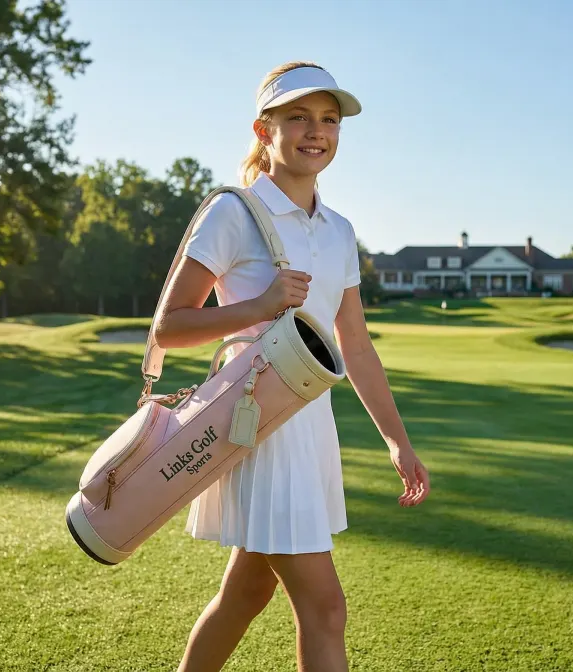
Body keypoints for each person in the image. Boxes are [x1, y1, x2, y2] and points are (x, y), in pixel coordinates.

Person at [154, 61, 431, 672]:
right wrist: (258, 306)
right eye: (299, 117)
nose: (317, 131)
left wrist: (397, 441)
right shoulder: (233, 212)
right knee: (325, 610)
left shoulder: (339, 231)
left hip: (311, 429)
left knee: (246, 594)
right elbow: (168, 327)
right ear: (264, 129)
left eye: (329, 120)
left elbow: (356, 345)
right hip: (255, 429)